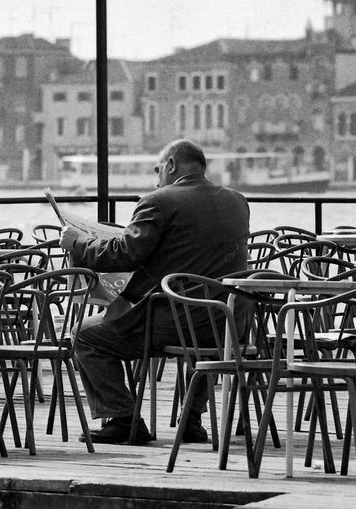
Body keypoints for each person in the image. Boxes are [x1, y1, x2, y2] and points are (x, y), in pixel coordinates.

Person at [59, 139, 251, 445]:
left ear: (172, 165)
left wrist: (78, 243)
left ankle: (123, 418)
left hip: (172, 321)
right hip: (227, 321)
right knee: (208, 343)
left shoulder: (159, 201)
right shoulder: (237, 201)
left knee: (84, 335)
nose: (155, 177)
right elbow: (188, 254)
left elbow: (126, 254)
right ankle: (191, 421)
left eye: (157, 169)